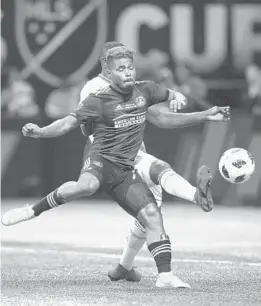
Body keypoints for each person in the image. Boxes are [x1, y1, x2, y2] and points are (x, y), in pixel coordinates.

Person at [2, 45, 229, 289]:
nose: (128, 72)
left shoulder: (145, 89)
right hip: (102, 160)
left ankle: (163, 276)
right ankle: (33, 210)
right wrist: (40, 132)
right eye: (121, 68)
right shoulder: (96, 96)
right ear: (108, 72)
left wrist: (193, 106)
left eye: (130, 67)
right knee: (88, 186)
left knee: (151, 216)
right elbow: (70, 124)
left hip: (127, 168)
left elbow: (167, 102)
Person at [77, 43, 229, 282]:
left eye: (128, 63)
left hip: (134, 152)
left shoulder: (131, 87)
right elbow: (86, 126)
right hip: (112, 158)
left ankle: (123, 267)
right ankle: (196, 197)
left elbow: (160, 118)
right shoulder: (94, 89)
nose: (126, 67)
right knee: (160, 169)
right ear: (106, 65)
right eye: (119, 62)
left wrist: (204, 115)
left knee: (150, 214)